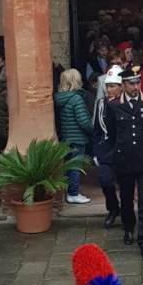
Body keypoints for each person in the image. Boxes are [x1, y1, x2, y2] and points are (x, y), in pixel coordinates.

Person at [104, 65, 143, 261]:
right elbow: (112, 134)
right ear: (123, 85)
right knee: (126, 198)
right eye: (131, 83)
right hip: (124, 159)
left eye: (138, 82)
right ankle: (128, 227)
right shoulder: (114, 106)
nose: (135, 87)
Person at [54, 68, 93, 205]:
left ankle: (68, 191)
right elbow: (83, 121)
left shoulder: (59, 98)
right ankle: (73, 193)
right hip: (77, 137)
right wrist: (93, 130)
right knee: (75, 166)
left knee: (68, 166)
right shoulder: (76, 99)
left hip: (66, 137)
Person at [93, 65, 122, 229]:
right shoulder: (101, 104)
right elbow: (97, 129)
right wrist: (96, 151)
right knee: (105, 182)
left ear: (120, 87)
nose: (109, 90)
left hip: (122, 150)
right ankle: (113, 208)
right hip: (105, 150)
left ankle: (127, 214)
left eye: (112, 86)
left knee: (125, 186)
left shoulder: (124, 103)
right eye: (107, 86)